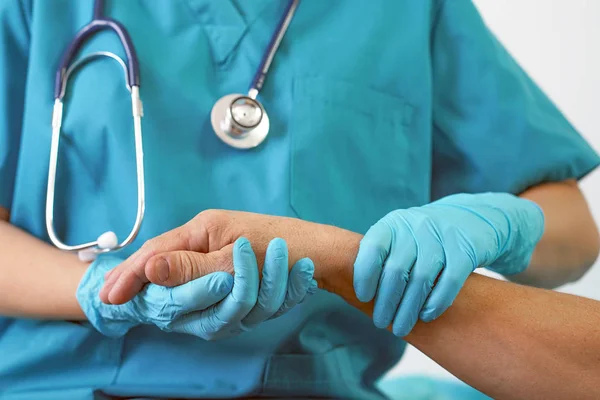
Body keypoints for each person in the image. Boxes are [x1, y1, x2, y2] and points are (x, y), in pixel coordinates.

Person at [0, 0, 598, 399]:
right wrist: (102, 291)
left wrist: (499, 224)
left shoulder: (410, 13)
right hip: (63, 383)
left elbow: (575, 229)